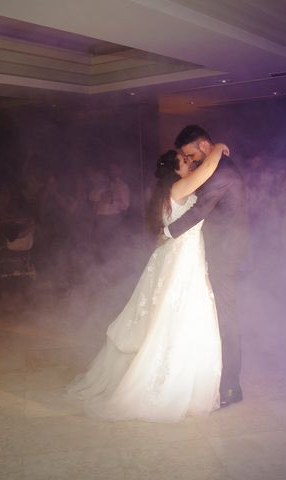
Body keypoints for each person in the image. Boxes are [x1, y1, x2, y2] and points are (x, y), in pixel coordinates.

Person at [67, 144, 226, 422]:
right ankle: (169, 386)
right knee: (178, 317)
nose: (189, 162)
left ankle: (184, 382)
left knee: (171, 315)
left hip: (178, 257)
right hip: (181, 261)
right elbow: (209, 169)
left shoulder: (168, 192)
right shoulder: (180, 188)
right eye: (184, 160)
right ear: (174, 170)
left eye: (189, 158)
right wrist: (218, 147)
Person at [167, 125, 248, 408]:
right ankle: (218, 380)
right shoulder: (217, 163)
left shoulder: (222, 172)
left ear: (203, 146)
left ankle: (230, 388)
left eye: (191, 154)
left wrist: (166, 233)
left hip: (226, 254)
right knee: (216, 315)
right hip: (219, 249)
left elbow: (200, 210)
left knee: (226, 318)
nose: (190, 160)